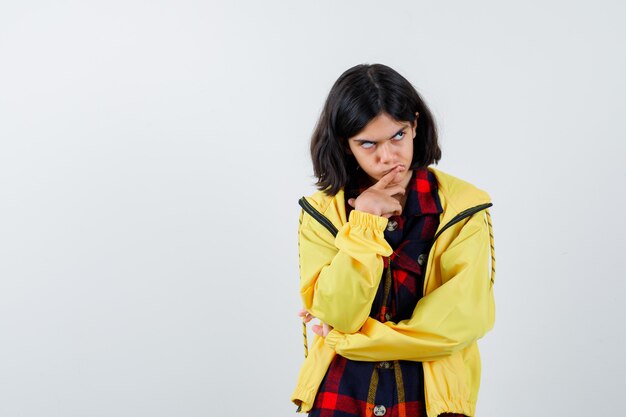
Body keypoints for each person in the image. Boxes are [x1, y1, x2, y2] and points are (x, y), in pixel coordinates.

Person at [291, 63, 496, 417]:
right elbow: (339, 311)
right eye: (368, 143)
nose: (388, 157)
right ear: (346, 144)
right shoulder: (323, 212)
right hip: (341, 396)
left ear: (415, 124)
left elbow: (455, 325)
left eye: (398, 135)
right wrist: (365, 223)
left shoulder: (462, 207)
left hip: (430, 399)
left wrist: (349, 339)